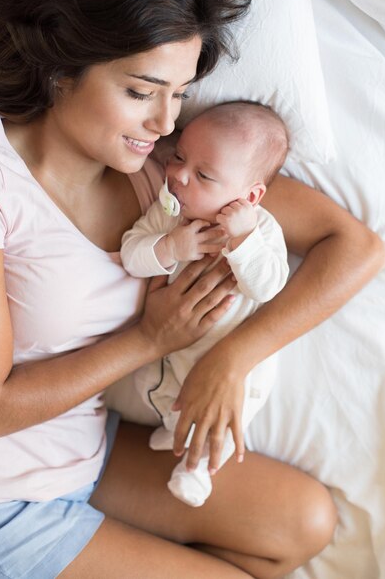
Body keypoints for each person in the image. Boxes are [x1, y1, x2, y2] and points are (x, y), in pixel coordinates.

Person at [0, 0, 385, 578]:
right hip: (4, 500)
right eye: (140, 93)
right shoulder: (0, 186)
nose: (167, 122)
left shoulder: (168, 172)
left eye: (178, 93)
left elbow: (354, 247)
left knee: (302, 521)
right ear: (59, 67)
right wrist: (149, 338)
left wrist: (234, 359)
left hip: (82, 454)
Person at [120, 100, 290, 507]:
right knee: (167, 390)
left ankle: (198, 471)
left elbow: (268, 286)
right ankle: (173, 429)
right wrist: (169, 246)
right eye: (179, 156)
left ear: (249, 195)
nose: (177, 174)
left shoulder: (262, 228)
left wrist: (243, 241)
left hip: (234, 357)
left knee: (225, 414)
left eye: (203, 175)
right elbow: (131, 254)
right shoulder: (169, 214)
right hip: (178, 346)